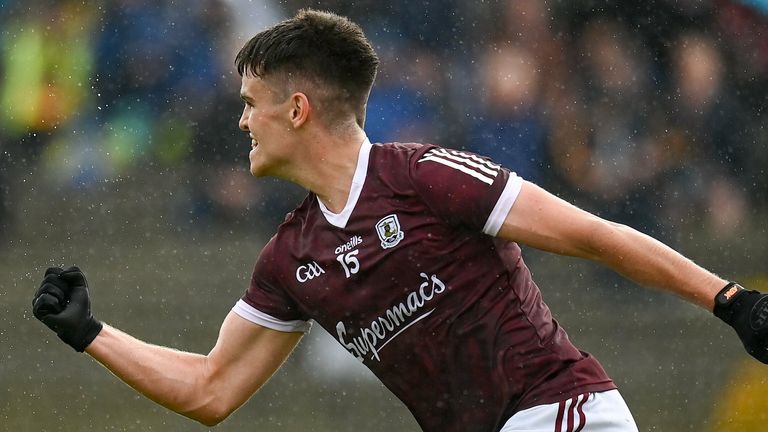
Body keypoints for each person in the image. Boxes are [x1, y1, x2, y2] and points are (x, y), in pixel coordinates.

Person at [32, 9, 768, 432]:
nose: (242, 120)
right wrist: (91, 334)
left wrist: (728, 300)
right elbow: (210, 391)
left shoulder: (425, 177)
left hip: (559, 415)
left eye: (252, 102)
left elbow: (594, 235)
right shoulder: (293, 258)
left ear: (298, 109)